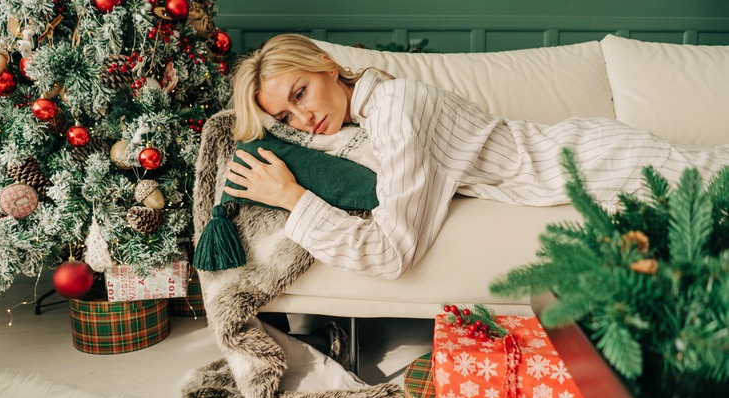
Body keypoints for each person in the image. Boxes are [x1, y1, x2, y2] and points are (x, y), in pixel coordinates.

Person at [224, 33, 729, 280]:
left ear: (328, 67)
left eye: (300, 92)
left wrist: (294, 199)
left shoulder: (397, 108)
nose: (302, 117)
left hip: (597, 160)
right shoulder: (371, 116)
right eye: (285, 118)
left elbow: (390, 252)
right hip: (584, 154)